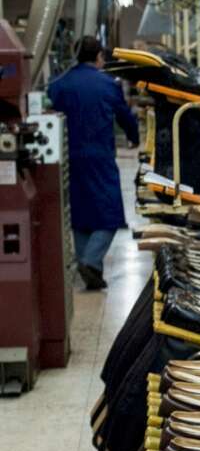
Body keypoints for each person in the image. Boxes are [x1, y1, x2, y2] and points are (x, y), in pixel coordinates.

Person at [48, 36, 140, 290]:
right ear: (99, 57)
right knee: (111, 215)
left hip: (69, 157)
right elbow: (124, 115)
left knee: (80, 212)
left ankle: (91, 269)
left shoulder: (59, 85)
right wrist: (134, 137)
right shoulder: (107, 84)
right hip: (99, 156)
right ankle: (90, 260)